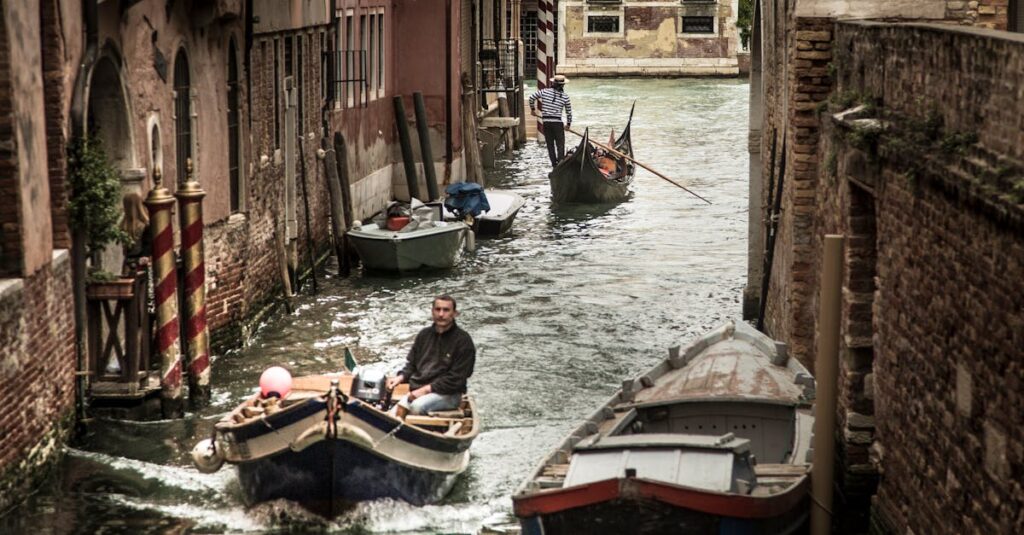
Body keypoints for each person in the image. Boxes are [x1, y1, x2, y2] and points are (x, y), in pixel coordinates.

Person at [386, 295, 476, 417]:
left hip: (448, 394)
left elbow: (457, 379)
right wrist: (400, 378)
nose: (441, 314)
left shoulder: (463, 341)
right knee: (392, 414)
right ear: (432, 312)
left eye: (446, 310)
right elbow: (411, 365)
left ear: (454, 313)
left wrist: (424, 390)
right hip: (417, 391)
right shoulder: (423, 335)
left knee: (417, 407)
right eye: (437, 309)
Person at [529, 74, 573, 168]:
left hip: (547, 123)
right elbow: (569, 112)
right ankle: (560, 164)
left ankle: (554, 165)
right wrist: (568, 124)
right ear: (563, 85)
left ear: (553, 83)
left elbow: (531, 97)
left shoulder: (544, 92)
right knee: (560, 144)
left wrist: (533, 109)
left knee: (550, 145)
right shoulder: (565, 97)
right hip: (557, 123)